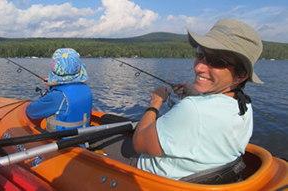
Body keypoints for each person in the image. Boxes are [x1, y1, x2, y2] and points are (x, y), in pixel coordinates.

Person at [88, 18, 263, 181]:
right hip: (196, 173)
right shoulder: (244, 105)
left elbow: (139, 144)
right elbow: (209, 117)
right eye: (200, 53)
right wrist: (195, 96)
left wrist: (155, 102)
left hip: (150, 172)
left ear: (241, 75)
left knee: (97, 135)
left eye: (216, 61)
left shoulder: (193, 109)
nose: (199, 66)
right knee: (113, 121)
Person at [26, 48, 93, 138]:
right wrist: (55, 86)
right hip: (82, 138)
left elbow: (31, 111)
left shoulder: (57, 96)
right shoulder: (86, 88)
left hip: (63, 143)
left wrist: (53, 89)